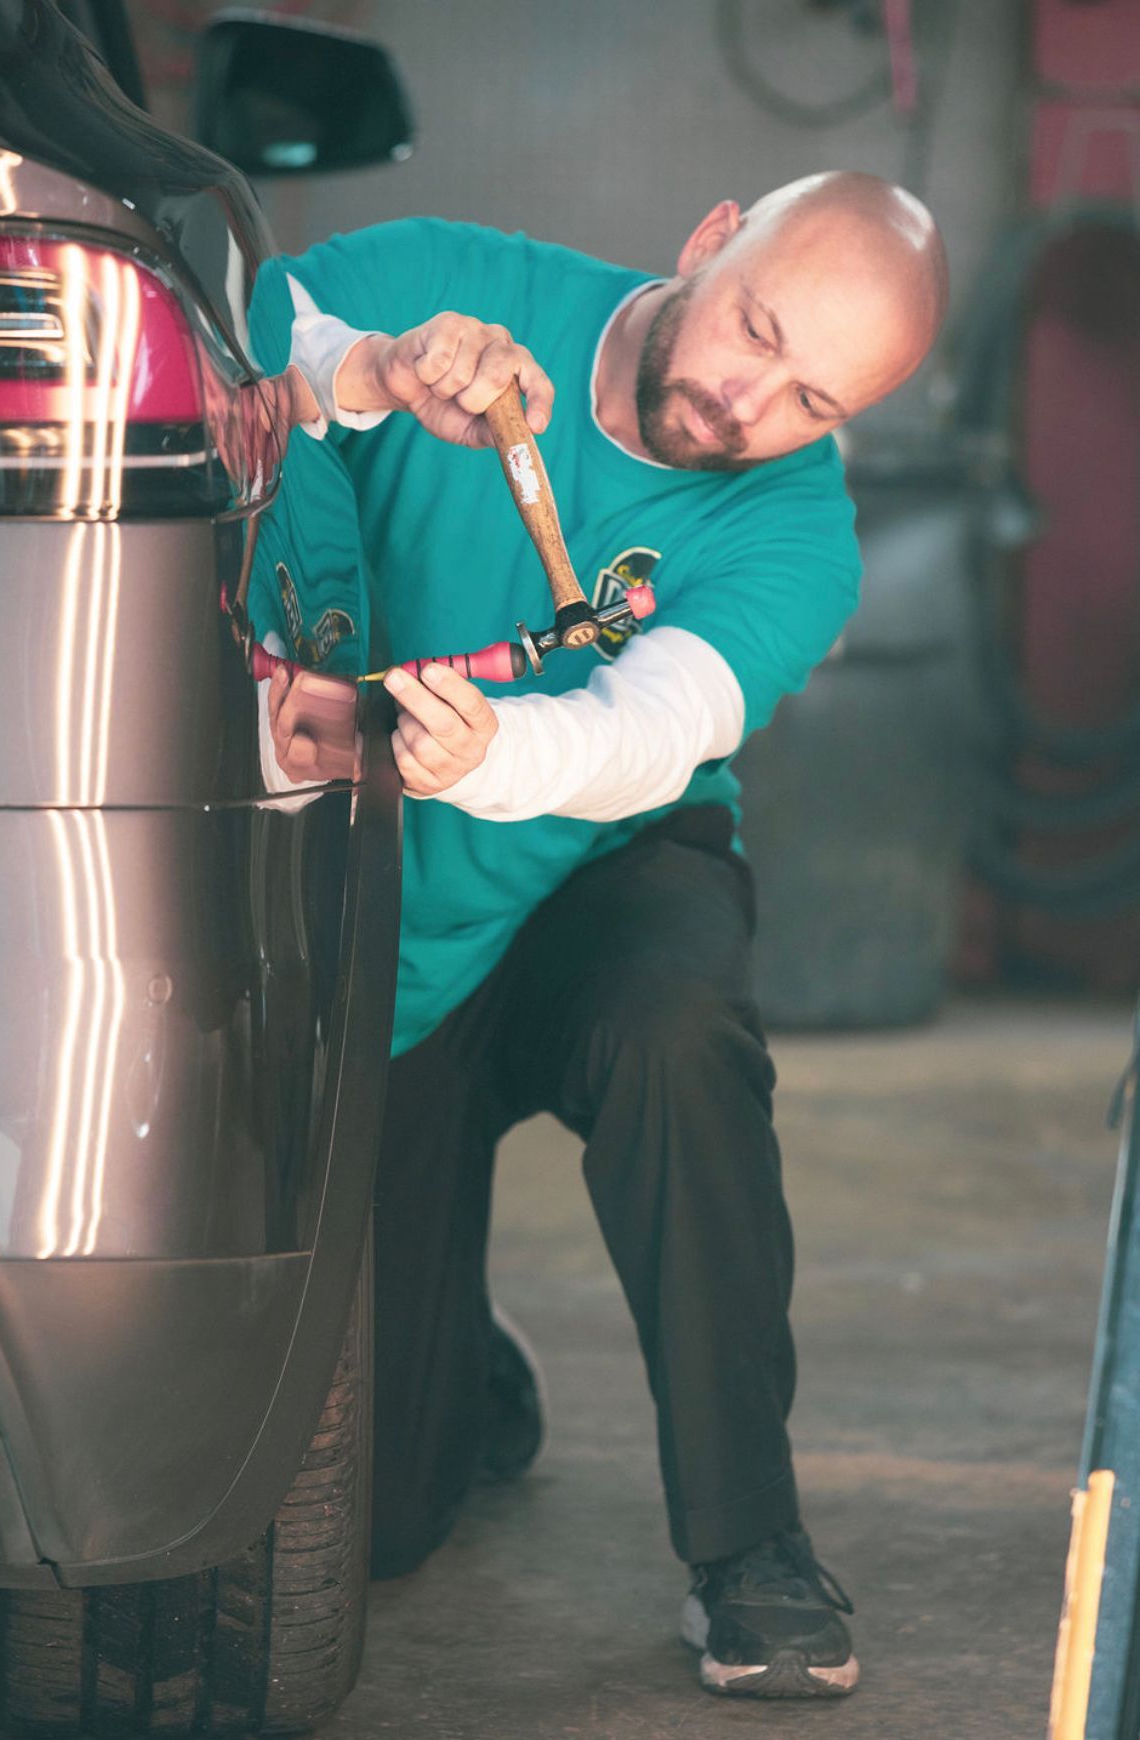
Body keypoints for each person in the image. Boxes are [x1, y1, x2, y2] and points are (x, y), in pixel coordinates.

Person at [246, 171, 947, 1701]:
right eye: (755, 330)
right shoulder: (432, 280)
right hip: (375, 907)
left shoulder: (796, 535)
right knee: (381, 1523)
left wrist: (491, 752)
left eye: (811, 400)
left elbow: (651, 728)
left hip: (601, 870)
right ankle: (463, 1360)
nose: (746, 403)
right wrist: (367, 374)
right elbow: (233, 366)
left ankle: (751, 1551)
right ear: (709, 239)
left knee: (674, 1032)